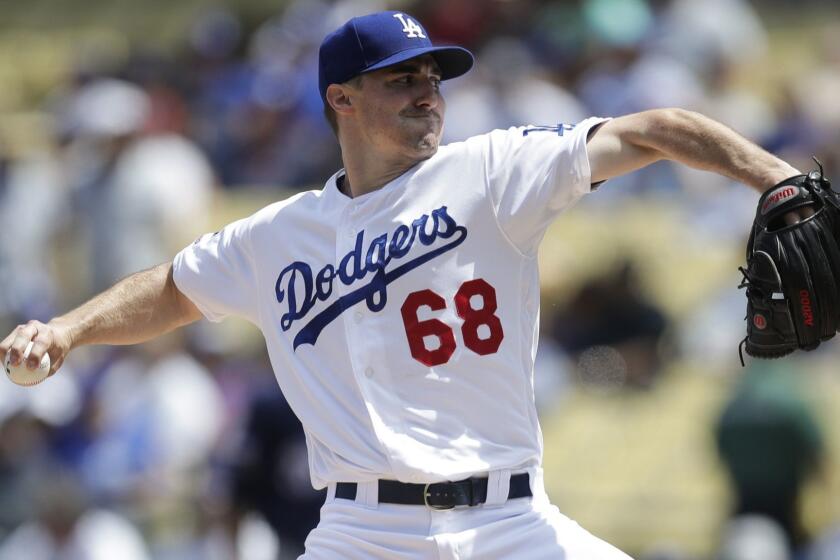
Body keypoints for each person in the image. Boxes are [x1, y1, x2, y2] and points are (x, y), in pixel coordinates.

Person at [1, 11, 808, 559]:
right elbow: (173, 288)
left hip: (510, 521)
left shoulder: (494, 172)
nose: (427, 91)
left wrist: (780, 180)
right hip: (362, 532)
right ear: (340, 99)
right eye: (400, 79)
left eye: (432, 75)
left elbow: (653, 130)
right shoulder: (278, 236)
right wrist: (68, 328)